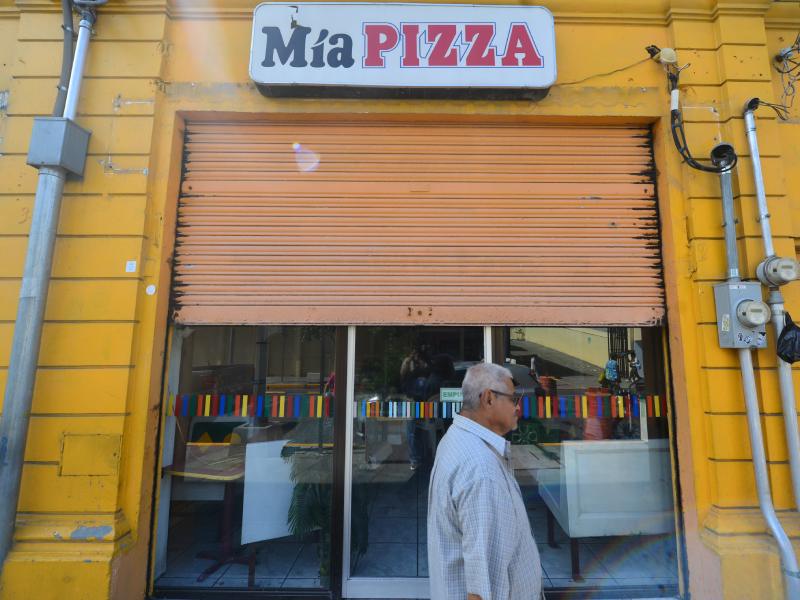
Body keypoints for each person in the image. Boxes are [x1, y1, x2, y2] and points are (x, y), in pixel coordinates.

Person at [427, 362, 543, 600]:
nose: (518, 407)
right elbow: (483, 589)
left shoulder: (456, 438)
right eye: (513, 399)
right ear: (489, 398)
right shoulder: (481, 470)